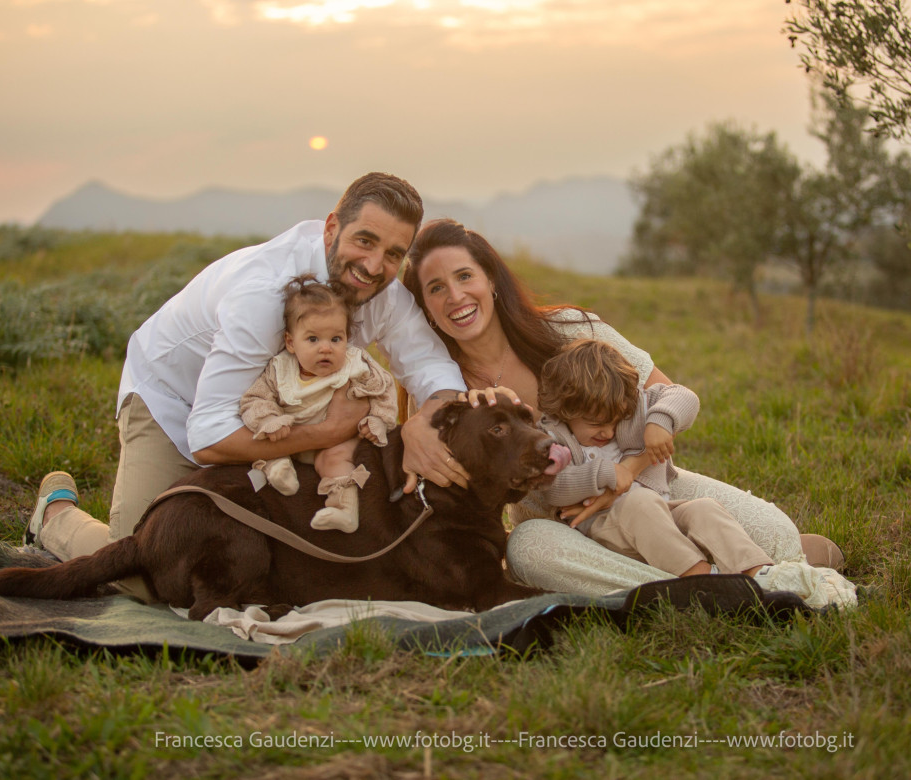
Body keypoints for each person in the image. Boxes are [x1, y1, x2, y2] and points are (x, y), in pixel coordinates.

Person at [25, 173, 469, 593]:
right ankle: (55, 517)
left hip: (279, 417)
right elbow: (209, 436)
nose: (375, 266)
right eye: (365, 241)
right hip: (174, 402)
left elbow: (432, 367)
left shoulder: (384, 293)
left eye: (394, 253)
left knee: (286, 557)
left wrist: (424, 424)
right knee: (148, 576)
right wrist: (330, 431)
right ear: (332, 228)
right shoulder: (264, 295)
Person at [400, 217, 845, 597]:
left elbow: (669, 394)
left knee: (780, 537)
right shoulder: (440, 389)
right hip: (565, 523)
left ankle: (733, 570)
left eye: (464, 276)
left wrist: (624, 475)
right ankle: (703, 588)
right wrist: (408, 430)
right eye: (436, 288)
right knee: (528, 551)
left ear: (490, 279)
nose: (455, 297)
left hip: (650, 490)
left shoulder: (571, 330)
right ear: (425, 309)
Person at [528, 339, 855, 608]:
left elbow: (684, 396)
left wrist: (660, 422)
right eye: (597, 425)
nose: (608, 432)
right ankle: (705, 582)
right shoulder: (554, 437)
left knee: (703, 509)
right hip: (606, 527)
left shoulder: (627, 407)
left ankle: (762, 575)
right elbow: (553, 488)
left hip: (658, 513)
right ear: (565, 411)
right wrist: (603, 473)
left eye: (616, 421)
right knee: (639, 504)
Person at [239, 275, 397, 533]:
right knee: (269, 445)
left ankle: (344, 510)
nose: (326, 349)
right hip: (291, 436)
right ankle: (279, 471)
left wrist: (379, 419)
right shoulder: (280, 369)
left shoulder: (356, 364)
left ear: (347, 338)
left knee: (335, 458)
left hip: (337, 441)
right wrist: (268, 420)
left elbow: (383, 388)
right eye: (313, 340)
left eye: (335, 339)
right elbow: (254, 399)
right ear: (291, 342)